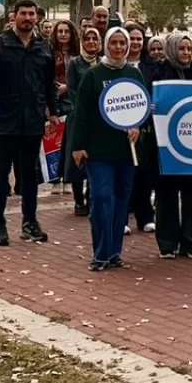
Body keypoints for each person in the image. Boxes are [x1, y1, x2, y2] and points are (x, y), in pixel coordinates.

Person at [0, 0, 58, 247]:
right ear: (14, 16)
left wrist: (53, 112)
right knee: (0, 175)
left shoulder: (43, 47)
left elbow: (48, 83)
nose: (28, 18)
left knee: (30, 176)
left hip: (32, 122)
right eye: (23, 13)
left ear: (36, 17)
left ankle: (30, 222)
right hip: (3, 121)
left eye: (32, 14)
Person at [71, 27, 144, 271]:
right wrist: (78, 146)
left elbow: (143, 107)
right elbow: (80, 113)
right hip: (98, 150)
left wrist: (138, 127)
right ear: (105, 44)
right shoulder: (93, 75)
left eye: (122, 43)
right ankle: (100, 253)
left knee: (122, 199)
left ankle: (114, 252)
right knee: (102, 198)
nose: (118, 47)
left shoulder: (134, 74)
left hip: (125, 150)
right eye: (113, 42)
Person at [146, 33, 192, 259]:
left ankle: (190, 243)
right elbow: (149, 100)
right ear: (172, 49)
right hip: (166, 145)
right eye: (181, 48)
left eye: (189, 48)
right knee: (167, 195)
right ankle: (167, 243)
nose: (186, 53)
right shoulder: (159, 72)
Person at [64, 25, 102, 216]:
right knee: (77, 159)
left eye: (95, 39)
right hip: (78, 117)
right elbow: (72, 90)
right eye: (87, 39)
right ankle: (78, 200)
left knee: (95, 159)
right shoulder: (74, 63)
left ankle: (90, 197)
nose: (91, 42)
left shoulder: (103, 63)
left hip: (99, 120)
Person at [50, 20, 80, 193]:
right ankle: (54, 178)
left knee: (69, 140)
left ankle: (67, 178)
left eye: (66, 31)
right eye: (59, 31)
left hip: (72, 100)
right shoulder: (49, 52)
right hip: (54, 99)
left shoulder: (78, 54)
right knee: (54, 140)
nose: (62, 34)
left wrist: (66, 88)